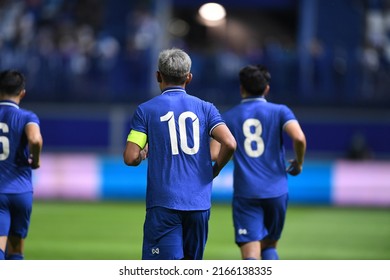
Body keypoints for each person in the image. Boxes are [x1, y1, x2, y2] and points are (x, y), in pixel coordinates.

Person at [123, 48, 236, 260]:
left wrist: (142, 154)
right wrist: (216, 170)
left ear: (158, 75)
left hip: (164, 202)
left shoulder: (146, 110)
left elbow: (130, 157)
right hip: (198, 204)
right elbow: (229, 143)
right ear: (189, 77)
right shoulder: (206, 109)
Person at [210, 64, 306, 260]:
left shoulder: (227, 117)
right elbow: (299, 138)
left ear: (241, 88)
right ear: (267, 89)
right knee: (270, 246)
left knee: (250, 254)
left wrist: (216, 169)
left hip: (246, 192)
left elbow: (213, 154)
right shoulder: (280, 111)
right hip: (276, 191)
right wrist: (299, 162)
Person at [0, 70, 43, 260]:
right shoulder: (27, 117)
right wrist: (36, 160)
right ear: (22, 93)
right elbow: (35, 140)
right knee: (16, 250)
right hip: (22, 192)